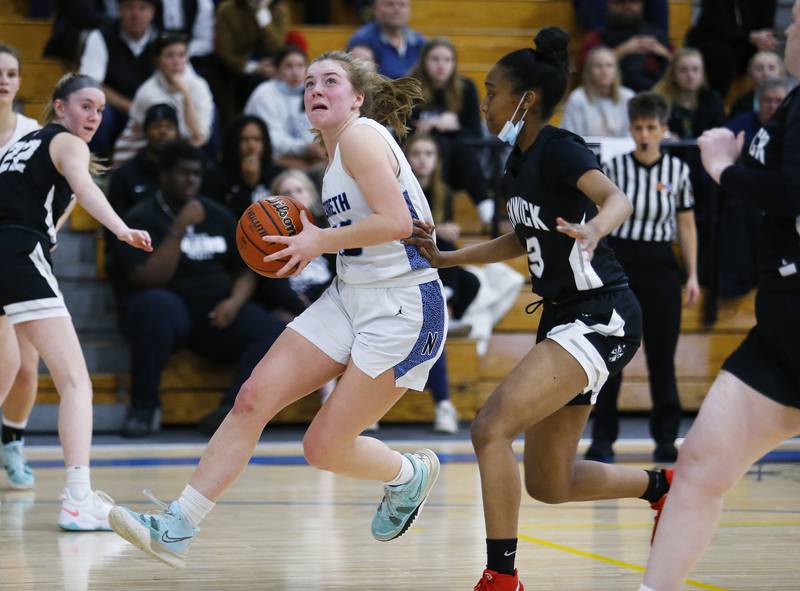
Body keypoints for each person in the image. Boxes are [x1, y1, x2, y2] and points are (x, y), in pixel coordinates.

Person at [108, 50, 447, 567]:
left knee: (323, 447)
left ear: (357, 98)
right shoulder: (330, 155)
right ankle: (179, 525)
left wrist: (318, 241)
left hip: (404, 303)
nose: (315, 89)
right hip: (351, 294)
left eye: (329, 81)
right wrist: (309, 243)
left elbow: (398, 223)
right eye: (309, 82)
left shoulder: (360, 136)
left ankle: (409, 475)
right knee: (252, 398)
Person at [404, 29, 671, 591]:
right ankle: (661, 486)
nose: (485, 102)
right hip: (563, 318)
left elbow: (615, 197)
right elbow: (519, 239)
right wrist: (447, 257)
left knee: (489, 428)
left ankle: (502, 578)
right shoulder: (516, 162)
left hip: (602, 314)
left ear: (525, 100)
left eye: (493, 90)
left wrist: (596, 228)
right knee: (549, 482)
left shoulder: (558, 146)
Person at [641, 3, 800, 589]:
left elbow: (791, 191)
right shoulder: (793, 102)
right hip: (782, 339)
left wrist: (721, 168)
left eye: (799, 20)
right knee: (702, 466)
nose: (788, 28)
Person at [0, 73, 152, 529]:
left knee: (6, 373)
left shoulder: (17, 149)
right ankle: (77, 499)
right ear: (60, 107)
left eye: (101, 109)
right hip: (16, 254)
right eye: (86, 105)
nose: (94, 116)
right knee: (75, 382)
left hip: (9, 250)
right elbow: (85, 190)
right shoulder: (67, 143)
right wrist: (121, 228)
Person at [111, 142, 287, 437]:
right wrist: (179, 227)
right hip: (170, 316)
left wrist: (233, 302)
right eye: (183, 173)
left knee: (272, 329)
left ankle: (231, 412)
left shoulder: (218, 215)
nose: (191, 179)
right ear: (164, 176)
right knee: (153, 305)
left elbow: (246, 270)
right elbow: (148, 279)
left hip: (216, 314)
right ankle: (144, 407)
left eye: (196, 173)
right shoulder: (142, 217)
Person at [586, 93, 700, 464]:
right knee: (613, 354)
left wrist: (694, 274)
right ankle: (603, 439)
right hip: (620, 264)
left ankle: (667, 440)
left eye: (652, 128)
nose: (645, 134)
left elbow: (686, 225)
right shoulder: (614, 169)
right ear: (630, 129)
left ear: (664, 130)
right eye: (638, 127)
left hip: (662, 266)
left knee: (662, 358)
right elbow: (602, 218)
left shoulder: (679, 172)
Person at [0, 44, 41, 491]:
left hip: (24, 256)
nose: (4, 80)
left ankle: (12, 441)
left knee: (26, 366)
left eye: (12, 72)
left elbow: (65, 192)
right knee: (5, 362)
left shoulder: (34, 133)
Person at [408, 37, 493, 226]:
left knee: (458, 145)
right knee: (440, 144)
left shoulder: (466, 87)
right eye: (435, 59)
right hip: (420, 163)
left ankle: (487, 212)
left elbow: (475, 135)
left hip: (459, 166)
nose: (441, 65)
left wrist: (452, 127)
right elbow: (403, 132)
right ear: (424, 61)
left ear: (454, 63)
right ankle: (476, 210)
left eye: (447, 60)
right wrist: (435, 123)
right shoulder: (411, 88)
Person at [112, 32, 215, 166]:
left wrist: (185, 94)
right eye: (169, 55)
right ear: (157, 61)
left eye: (181, 55)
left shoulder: (199, 86)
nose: (176, 62)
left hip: (189, 148)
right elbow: (138, 131)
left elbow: (200, 136)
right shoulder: (147, 92)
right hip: (154, 150)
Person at [78, 0, 159, 156]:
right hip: (114, 107)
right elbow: (91, 85)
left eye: (142, 8)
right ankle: (97, 169)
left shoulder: (162, 40)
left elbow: (179, 79)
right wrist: (132, 107)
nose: (136, 14)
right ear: (119, 10)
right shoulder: (101, 36)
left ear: (153, 12)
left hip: (153, 106)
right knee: (94, 112)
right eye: (129, 7)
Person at [244, 45, 326, 171]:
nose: (295, 72)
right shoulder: (264, 94)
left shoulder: (312, 93)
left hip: (307, 155)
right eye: (289, 66)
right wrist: (305, 148)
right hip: (271, 157)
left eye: (300, 66)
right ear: (276, 70)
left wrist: (316, 148)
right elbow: (272, 140)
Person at [213, 0, 290, 124]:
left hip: (270, 66)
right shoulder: (227, 10)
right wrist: (255, 67)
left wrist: (262, 14)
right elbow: (225, 52)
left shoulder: (278, 9)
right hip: (236, 68)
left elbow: (276, 48)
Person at [685, 0, 778, 99]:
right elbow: (718, 27)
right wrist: (750, 36)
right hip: (713, 41)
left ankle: (767, 103)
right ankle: (716, 105)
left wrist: (763, 39)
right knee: (722, 56)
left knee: (767, 61)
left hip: (749, 44)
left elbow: (767, 26)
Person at [578, 0, 672, 92]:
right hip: (613, 94)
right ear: (610, 5)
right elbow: (585, 67)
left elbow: (679, 64)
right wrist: (620, 51)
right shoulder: (598, 35)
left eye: (633, 2)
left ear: (642, 5)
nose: (627, 6)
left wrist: (664, 53)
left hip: (654, 95)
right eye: (620, 2)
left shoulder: (657, 34)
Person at [108, 103, 181, 217]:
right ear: (145, 131)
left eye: (169, 127)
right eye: (156, 126)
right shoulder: (124, 175)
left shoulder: (188, 173)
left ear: (177, 133)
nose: (163, 132)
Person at [561, 46, 635, 138]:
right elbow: (571, 137)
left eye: (609, 65)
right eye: (598, 66)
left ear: (616, 70)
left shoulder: (628, 97)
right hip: (585, 151)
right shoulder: (578, 98)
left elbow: (632, 136)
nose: (604, 71)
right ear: (589, 71)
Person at [347, 0, 425, 79]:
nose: (396, 9)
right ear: (375, 9)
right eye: (390, 4)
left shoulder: (419, 41)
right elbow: (362, 81)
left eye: (402, 5)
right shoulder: (362, 41)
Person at [729, 50, 786, 118]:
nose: (765, 73)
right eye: (759, 68)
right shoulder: (741, 103)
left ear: (781, 73)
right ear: (750, 74)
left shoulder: (793, 99)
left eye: (771, 68)